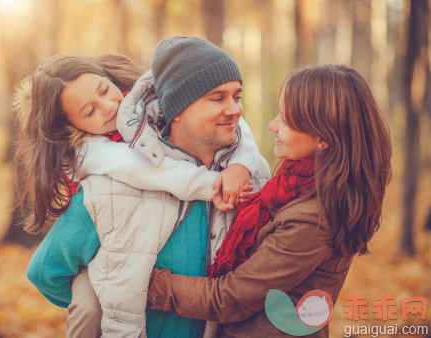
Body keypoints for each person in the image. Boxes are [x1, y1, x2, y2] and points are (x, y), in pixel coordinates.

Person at [23, 36, 271, 337]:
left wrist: (241, 164)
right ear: (71, 127)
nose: (108, 106)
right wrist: (105, 295)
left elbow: (234, 117)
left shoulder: (147, 103)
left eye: (104, 90)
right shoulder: (97, 161)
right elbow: (146, 171)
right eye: (89, 112)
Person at [147, 64, 392, 337]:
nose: (272, 125)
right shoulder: (294, 187)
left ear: (322, 138)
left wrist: (148, 282)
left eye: (285, 120)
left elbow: (229, 298)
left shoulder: (313, 220)